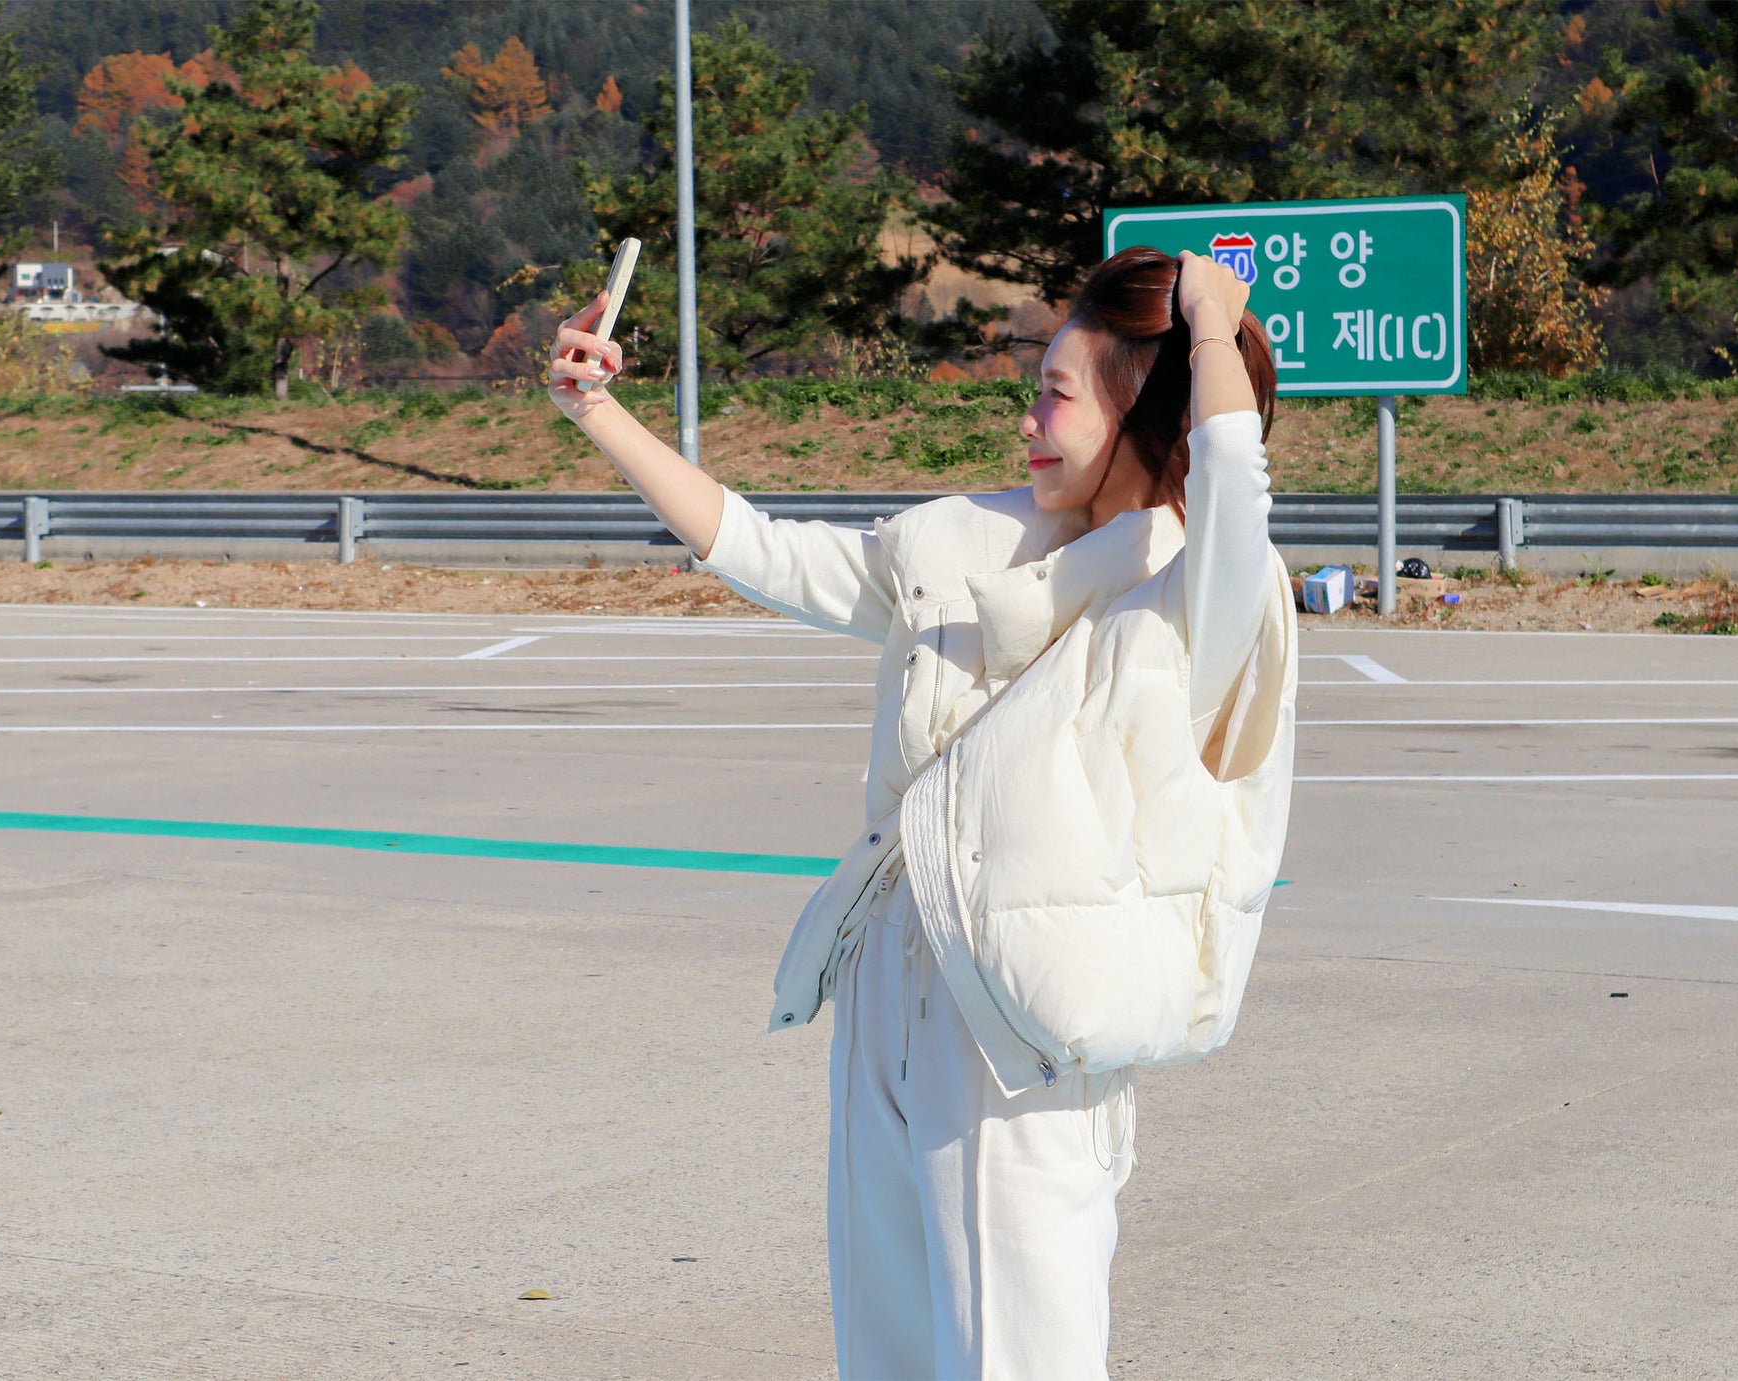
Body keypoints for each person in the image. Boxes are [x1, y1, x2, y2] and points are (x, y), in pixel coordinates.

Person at [546, 246, 1297, 1380]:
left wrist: (1207, 317)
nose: (1028, 422)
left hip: (1018, 1046)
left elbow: (1235, 481)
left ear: (1144, 412)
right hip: (888, 992)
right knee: (884, 1354)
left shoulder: (1199, 598)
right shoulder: (965, 555)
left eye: (1056, 395)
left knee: (1020, 1363)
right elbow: (762, 549)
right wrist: (597, 412)